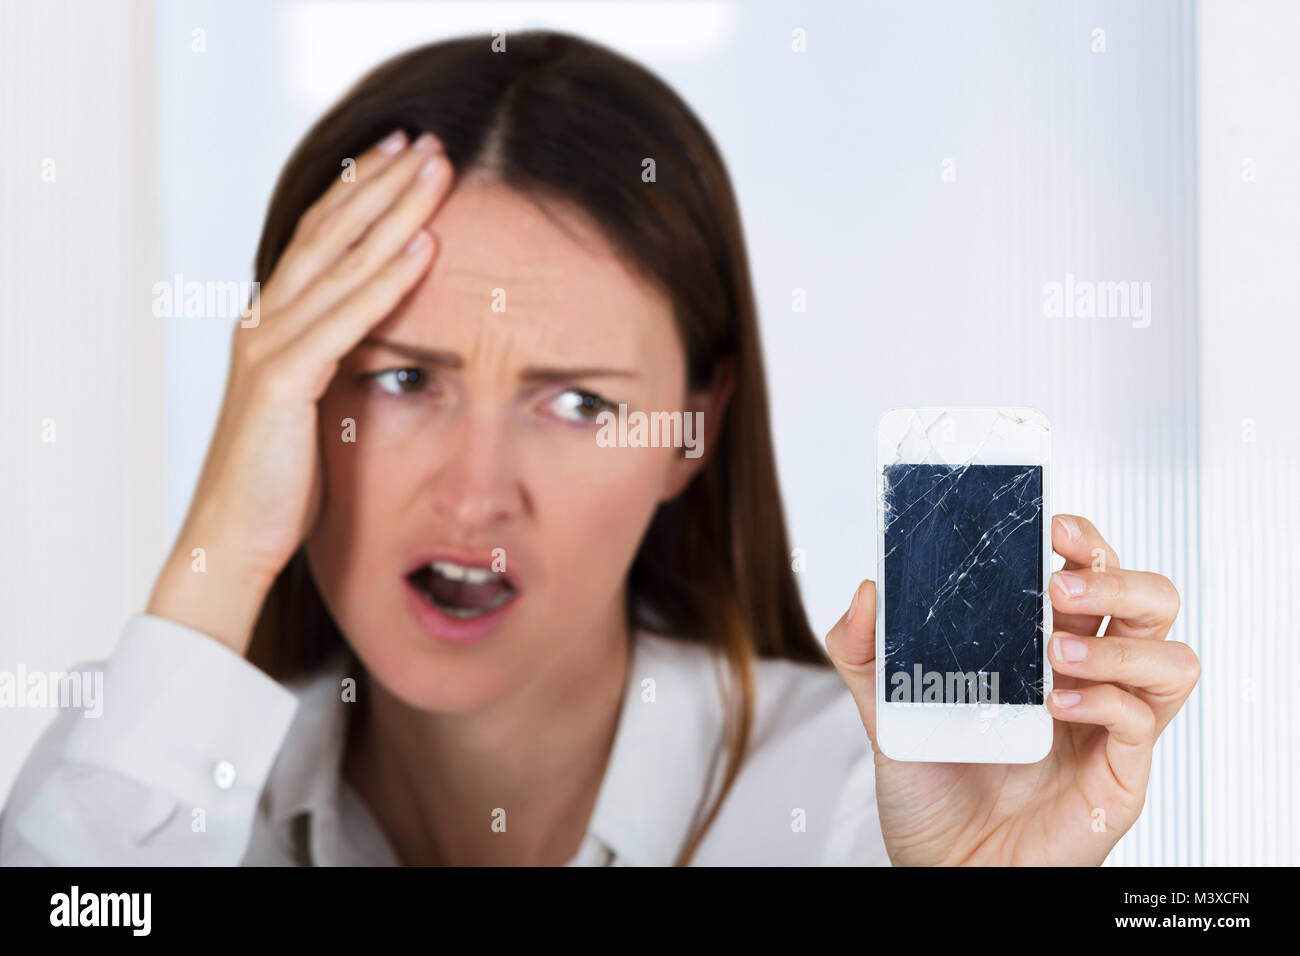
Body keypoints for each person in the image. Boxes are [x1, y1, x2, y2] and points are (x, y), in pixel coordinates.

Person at [0, 31, 1196, 866]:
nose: (475, 493)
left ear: (696, 429)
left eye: (576, 402)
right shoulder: (159, 799)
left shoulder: (861, 808)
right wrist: (220, 543)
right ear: (287, 396)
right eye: (402, 379)